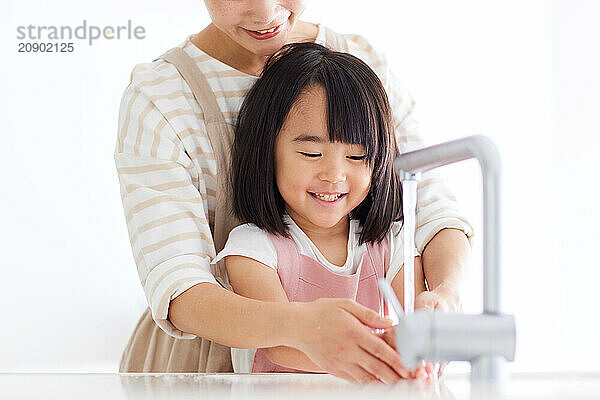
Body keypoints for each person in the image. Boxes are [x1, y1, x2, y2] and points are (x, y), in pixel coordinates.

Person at [114, 0, 473, 384]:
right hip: (195, 375)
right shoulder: (162, 97)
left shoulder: (364, 62)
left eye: (355, 155)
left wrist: (444, 300)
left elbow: (431, 211)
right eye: (311, 152)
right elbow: (180, 283)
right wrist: (300, 329)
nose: (266, 13)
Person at [215, 41, 428, 376]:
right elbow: (280, 345)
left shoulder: (393, 243)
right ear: (267, 152)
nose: (334, 175)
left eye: (356, 156)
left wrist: (416, 344)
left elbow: (416, 315)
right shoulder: (253, 248)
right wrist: (381, 357)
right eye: (311, 154)